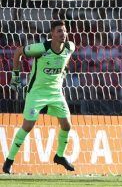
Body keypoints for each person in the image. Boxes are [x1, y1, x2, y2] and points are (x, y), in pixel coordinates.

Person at [2, 20, 75, 174]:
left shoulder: (70, 47)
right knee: (28, 126)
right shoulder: (41, 48)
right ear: (52, 34)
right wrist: (15, 76)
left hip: (56, 93)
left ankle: (59, 156)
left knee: (67, 125)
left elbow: (66, 61)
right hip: (36, 92)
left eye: (64, 31)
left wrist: (64, 72)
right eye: (59, 31)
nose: (63, 34)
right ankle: (9, 160)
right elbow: (18, 53)